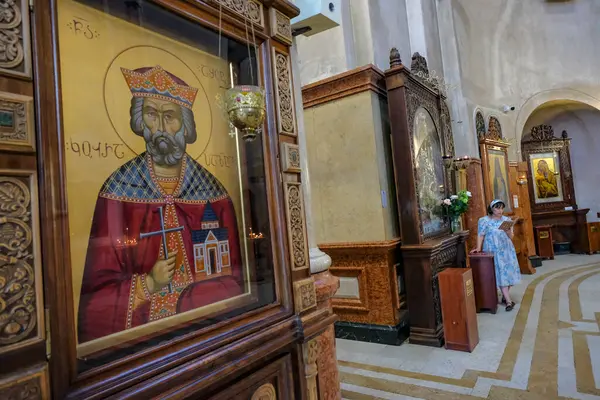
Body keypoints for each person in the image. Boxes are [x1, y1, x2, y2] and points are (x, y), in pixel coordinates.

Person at [77, 66, 243, 343]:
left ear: (186, 125)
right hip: (144, 340)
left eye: (170, 116)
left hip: (206, 331)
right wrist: (149, 284)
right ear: (140, 121)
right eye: (152, 115)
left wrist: (195, 299)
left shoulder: (213, 194)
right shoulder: (118, 189)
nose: (162, 129)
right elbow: (94, 301)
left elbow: (238, 279)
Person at [473, 199, 521, 311]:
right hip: (493, 250)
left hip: (507, 249)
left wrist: (508, 231)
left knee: (509, 273)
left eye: (501, 208)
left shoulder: (506, 220)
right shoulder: (484, 220)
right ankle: (509, 301)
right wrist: (478, 248)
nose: (500, 210)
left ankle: (505, 296)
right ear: (491, 209)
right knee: (500, 274)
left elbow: (511, 237)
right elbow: (480, 235)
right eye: (497, 208)